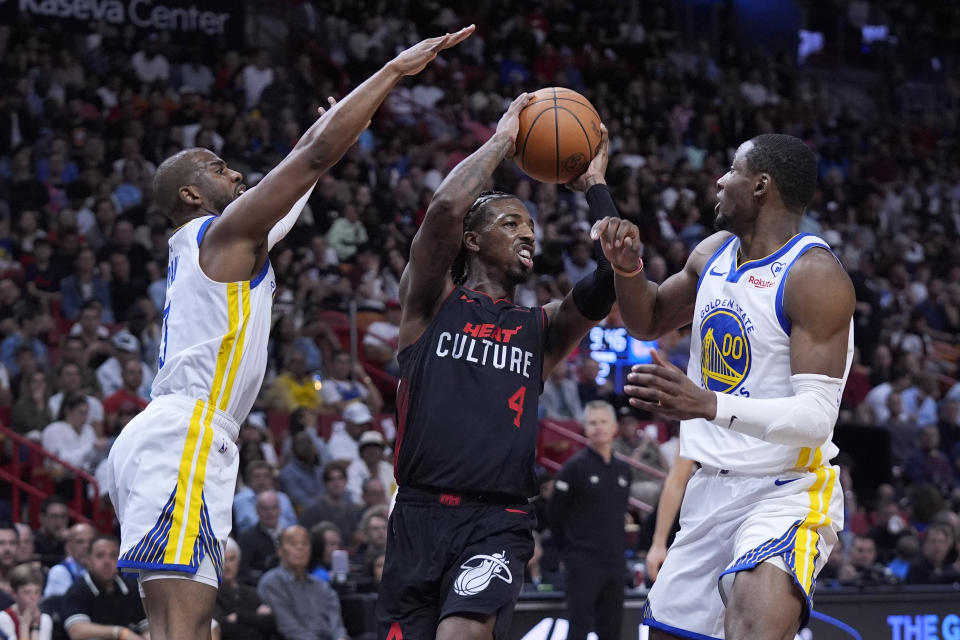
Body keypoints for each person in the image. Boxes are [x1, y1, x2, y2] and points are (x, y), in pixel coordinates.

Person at [104, 27, 474, 640]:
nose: (238, 173)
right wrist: (390, 72)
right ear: (192, 193)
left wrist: (330, 134)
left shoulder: (222, 247)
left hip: (174, 436)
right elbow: (310, 158)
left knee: (180, 629)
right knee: (183, 630)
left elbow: (303, 176)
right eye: (220, 169)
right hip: (186, 435)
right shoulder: (219, 236)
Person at [376, 97, 633, 639]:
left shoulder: (541, 326)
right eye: (511, 222)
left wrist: (594, 187)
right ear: (472, 240)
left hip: (497, 521)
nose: (529, 234)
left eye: (532, 226)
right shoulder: (429, 302)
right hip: (417, 516)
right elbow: (445, 209)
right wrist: (502, 142)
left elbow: (614, 274)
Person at [606, 134, 855, 639]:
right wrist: (627, 268)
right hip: (709, 491)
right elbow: (649, 318)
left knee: (751, 625)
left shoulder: (814, 275)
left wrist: (709, 403)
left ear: (761, 186)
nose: (719, 180)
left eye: (732, 170)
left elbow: (814, 419)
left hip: (786, 488)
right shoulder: (713, 253)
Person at [547, 400, 630, 640]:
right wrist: (571, 552)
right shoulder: (573, 468)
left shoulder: (623, 470)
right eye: (592, 422)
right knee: (579, 630)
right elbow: (554, 516)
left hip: (615, 563)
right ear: (584, 427)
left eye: (603, 422)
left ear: (614, 426)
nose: (598, 428)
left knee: (612, 631)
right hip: (582, 563)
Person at [257, 526, 348, 640]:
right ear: (279, 550)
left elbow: (337, 627)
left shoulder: (321, 585)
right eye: (293, 543)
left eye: (305, 543)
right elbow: (289, 628)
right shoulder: (271, 583)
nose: (300, 547)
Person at [62, 536, 148, 640]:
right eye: (100, 555)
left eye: (113, 556)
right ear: (88, 559)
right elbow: (76, 630)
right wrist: (120, 632)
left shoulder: (132, 586)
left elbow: (148, 628)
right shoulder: (77, 591)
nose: (107, 561)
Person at [214, 538, 275, 640]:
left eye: (232, 559)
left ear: (238, 561)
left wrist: (238, 616)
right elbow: (224, 628)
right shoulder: (213, 594)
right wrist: (255, 617)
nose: (227, 565)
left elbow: (270, 621)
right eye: (223, 560)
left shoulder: (250, 591)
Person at [299, 464, 361, 541]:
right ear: (325, 483)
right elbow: (304, 535)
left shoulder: (350, 509)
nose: (336, 482)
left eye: (340, 478)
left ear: (345, 482)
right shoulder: (313, 508)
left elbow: (355, 536)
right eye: (331, 479)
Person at [0, 564, 54, 640]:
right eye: (27, 592)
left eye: (37, 592)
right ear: (14, 593)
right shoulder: (4, 618)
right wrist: (24, 626)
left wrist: (35, 626)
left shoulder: (45, 619)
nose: (33, 597)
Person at [43, 523, 94, 597]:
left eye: (91, 541)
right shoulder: (59, 572)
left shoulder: (100, 570)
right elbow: (67, 605)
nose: (87, 546)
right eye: (80, 542)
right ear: (68, 548)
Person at [345, 430, 393, 505]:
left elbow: (393, 494)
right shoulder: (353, 469)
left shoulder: (388, 468)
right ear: (361, 451)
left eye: (376, 447)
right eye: (368, 447)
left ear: (382, 451)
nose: (372, 451)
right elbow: (355, 498)